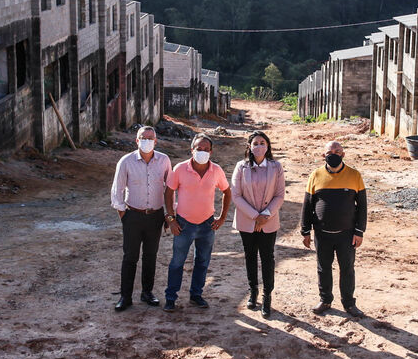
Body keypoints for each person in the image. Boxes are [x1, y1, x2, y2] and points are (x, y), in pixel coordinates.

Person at [162, 133, 232, 312]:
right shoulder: (180, 169)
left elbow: (227, 191)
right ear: (191, 149)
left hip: (207, 225)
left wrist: (222, 217)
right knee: (177, 262)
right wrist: (171, 219)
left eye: (206, 149)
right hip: (183, 224)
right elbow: (169, 193)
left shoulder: (216, 170)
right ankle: (171, 298)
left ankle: (196, 295)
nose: (202, 152)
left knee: (202, 262)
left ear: (211, 151)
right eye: (198, 149)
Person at [300, 140, 366, 317]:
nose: (334, 154)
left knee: (347, 268)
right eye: (330, 151)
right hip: (322, 234)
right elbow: (307, 205)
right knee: (323, 268)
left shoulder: (354, 175)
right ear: (324, 155)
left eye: (338, 151)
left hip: (347, 234)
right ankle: (325, 300)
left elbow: (362, 207)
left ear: (343, 154)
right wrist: (305, 231)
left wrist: (359, 231)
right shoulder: (315, 175)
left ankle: (349, 304)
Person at [110, 126, 172, 312]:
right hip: (133, 215)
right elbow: (117, 190)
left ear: (156, 141)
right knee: (130, 256)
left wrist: (170, 214)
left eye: (150, 138)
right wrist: (123, 214)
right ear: (136, 141)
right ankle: (125, 296)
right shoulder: (126, 161)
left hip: (155, 216)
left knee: (150, 256)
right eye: (143, 138)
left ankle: (147, 292)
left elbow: (170, 189)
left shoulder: (164, 160)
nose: (147, 141)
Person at [231, 131, 286, 318]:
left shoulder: (276, 167)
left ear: (268, 146)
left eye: (263, 142)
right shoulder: (241, 167)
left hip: (268, 222)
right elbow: (236, 195)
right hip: (247, 221)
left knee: (268, 257)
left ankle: (267, 295)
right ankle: (253, 292)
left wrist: (265, 216)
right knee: (250, 256)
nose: (259, 146)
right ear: (249, 146)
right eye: (255, 143)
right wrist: (255, 216)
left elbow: (279, 195)